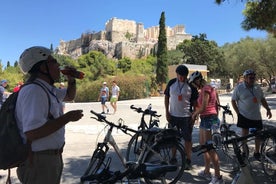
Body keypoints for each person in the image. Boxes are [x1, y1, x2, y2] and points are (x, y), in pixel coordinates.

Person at [15, 46, 83, 184]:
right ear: (42, 67)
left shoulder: (46, 88)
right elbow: (32, 133)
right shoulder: (34, 90)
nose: (58, 65)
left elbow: (69, 96)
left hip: (48, 160)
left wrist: (71, 79)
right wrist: (67, 118)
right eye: (53, 61)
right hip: (39, 163)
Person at [190, 71, 223, 184]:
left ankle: (218, 177)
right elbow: (217, 105)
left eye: (194, 83)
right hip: (207, 118)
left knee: (210, 148)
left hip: (208, 118)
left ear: (198, 80)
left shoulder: (206, 89)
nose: (194, 85)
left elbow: (204, 107)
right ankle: (207, 171)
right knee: (204, 147)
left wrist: (194, 114)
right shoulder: (210, 89)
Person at [231, 69, 272, 160]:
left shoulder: (257, 87)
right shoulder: (239, 88)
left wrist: (268, 109)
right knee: (244, 135)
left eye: (253, 77)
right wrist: (238, 113)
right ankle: (245, 152)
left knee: (258, 134)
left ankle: (256, 152)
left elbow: (262, 99)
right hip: (244, 115)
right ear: (245, 78)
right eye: (250, 77)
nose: (252, 79)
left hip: (256, 116)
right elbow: (233, 101)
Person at [164, 65, 198, 170]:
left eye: (184, 76)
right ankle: (173, 158)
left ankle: (188, 160)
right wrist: (167, 112)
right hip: (173, 116)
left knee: (187, 139)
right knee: (173, 139)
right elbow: (166, 98)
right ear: (177, 74)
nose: (182, 78)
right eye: (180, 75)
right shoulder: (171, 83)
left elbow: (195, 103)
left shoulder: (191, 86)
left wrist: (194, 116)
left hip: (186, 117)